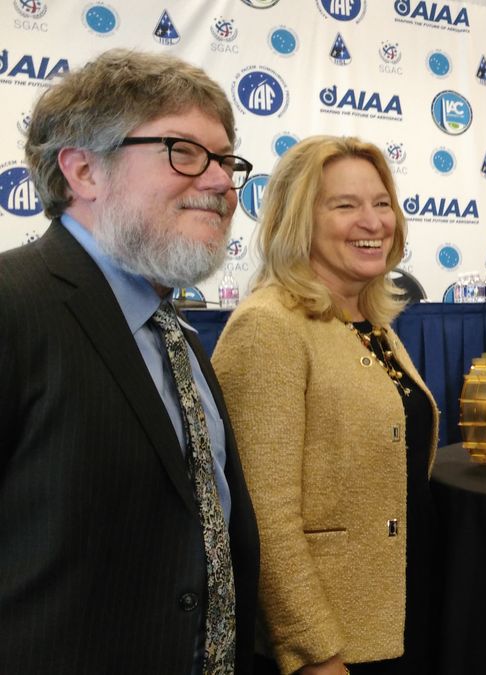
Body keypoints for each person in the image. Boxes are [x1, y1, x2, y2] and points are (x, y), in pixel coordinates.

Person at [0, 49, 260, 673]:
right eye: (185, 152)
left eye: (226, 161)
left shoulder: (180, 339)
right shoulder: (13, 307)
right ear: (85, 170)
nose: (223, 183)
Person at [212, 136, 440, 675]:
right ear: (298, 221)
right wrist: (314, 650)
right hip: (330, 646)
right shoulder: (267, 327)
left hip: (396, 617)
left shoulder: (370, 321)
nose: (373, 221)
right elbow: (263, 517)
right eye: (345, 206)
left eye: (381, 203)